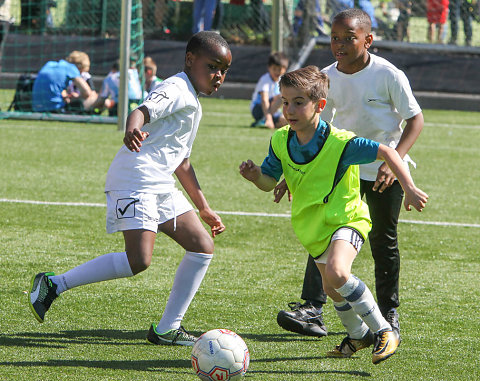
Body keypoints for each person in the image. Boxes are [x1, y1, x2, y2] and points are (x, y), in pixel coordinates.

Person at [29, 31, 232, 346]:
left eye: (224, 70)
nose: (218, 75)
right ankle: (53, 285)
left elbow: (182, 163)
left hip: (160, 182)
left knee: (201, 245)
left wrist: (203, 207)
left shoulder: (192, 99)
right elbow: (141, 111)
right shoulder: (176, 88)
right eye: (212, 66)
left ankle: (167, 329)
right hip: (135, 177)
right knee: (138, 260)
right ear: (190, 60)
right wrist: (131, 129)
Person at [239, 65, 428, 363]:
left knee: (339, 273)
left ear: (320, 106)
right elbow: (268, 182)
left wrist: (410, 187)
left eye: (299, 102)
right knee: (331, 286)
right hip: (312, 227)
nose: (289, 109)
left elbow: (388, 152)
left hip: (347, 218)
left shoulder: (341, 142)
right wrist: (255, 176)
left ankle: (384, 331)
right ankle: (358, 335)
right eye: (285, 102)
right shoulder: (279, 140)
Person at [276, 8, 424, 345]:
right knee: (324, 237)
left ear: (368, 40)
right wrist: (292, 169)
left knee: (383, 242)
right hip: (341, 172)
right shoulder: (325, 78)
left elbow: (415, 120)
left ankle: (388, 313)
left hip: (384, 170)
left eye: (349, 38)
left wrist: (394, 160)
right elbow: (314, 129)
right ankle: (313, 310)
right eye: (335, 38)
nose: (339, 44)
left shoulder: (389, 74)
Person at [32, 50, 97, 113]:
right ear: (79, 66)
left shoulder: (49, 64)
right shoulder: (71, 68)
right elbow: (87, 93)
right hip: (56, 109)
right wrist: (76, 97)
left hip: (37, 108)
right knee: (93, 98)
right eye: (81, 71)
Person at [250, 51, 289, 129]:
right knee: (283, 96)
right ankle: (265, 120)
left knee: (286, 123)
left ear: (285, 69)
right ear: (269, 67)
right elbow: (264, 100)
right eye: (274, 69)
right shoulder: (265, 79)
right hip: (259, 109)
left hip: (273, 111)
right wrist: (269, 118)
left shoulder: (282, 80)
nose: (277, 72)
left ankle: (261, 123)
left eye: (280, 69)